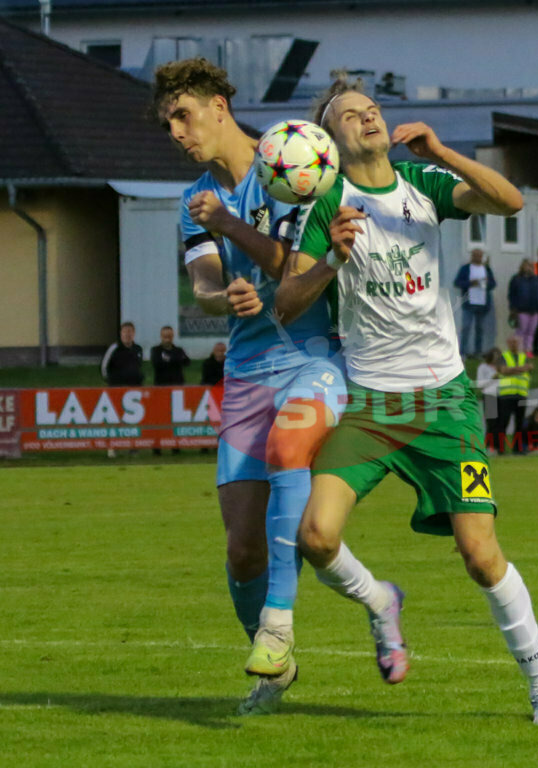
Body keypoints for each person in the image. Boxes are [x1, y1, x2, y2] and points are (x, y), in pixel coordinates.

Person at [275, 73, 538, 724]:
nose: (368, 118)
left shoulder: (424, 186)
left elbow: (511, 201)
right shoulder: (327, 206)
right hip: (371, 407)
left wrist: (441, 152)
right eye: (351, 114)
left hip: (444, 403)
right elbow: (286, 304)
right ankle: (380, 602)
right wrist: (330, 260)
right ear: (330, 140)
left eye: (373, 109)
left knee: (480, 554)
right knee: (316, 536)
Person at [152, 57, 345, 715]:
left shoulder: (290, 162)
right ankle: (275, 666)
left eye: (183, 115)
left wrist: (245, 237)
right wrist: (219, 296)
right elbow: (203, 281)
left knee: (293, 451)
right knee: (240, 550)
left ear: (218, 107)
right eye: (168, 122)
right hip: (246, 375)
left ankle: (278, 624)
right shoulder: (193, 201)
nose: (177, 132)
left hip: (315, 356)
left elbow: (303, 263)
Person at [151, 325, 191, 455]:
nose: (167, 339)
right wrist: (175, 360)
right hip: (161, 388)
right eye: (165, 336)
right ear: (161, 336)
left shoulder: (178, 350)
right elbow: (157, 363)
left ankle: (176, 446)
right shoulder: (156, 350)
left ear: (173, 336)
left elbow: (187, 362)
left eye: (170, 336)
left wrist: (171, 360)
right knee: (160, 419)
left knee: (176, 418)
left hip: (177, 388)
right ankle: (157, 447)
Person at [453, 248, 496, 358]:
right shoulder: (466, 268)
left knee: (480, 328)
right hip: (469, 302)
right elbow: (457, 282)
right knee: (466, 327)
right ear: (472, 256)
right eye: (475, 255)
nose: (477, 257)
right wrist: (470, 283)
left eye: (479, 256)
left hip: (483, 303)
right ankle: (463, 352)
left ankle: (478, 352)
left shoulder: (486, 269)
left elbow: (493, 284)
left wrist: (487, 283)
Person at [495, 334, 533, 453]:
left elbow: (530, 367)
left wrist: (512, 370)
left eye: (516, 342)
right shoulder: (503, 357)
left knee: (520, 424)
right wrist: (522, 369)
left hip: (521, 394)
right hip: (506, 395)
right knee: (503, 423)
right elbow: (503, 370)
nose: (514, 344)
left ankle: (518, 448)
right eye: (511, 342)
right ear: (507, 343)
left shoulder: (523, 356)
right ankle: (500, 448)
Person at [507, 258, 538, 355]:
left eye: (530, 266)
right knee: (521, 331)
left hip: (534, 310)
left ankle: (528, 350)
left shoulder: (536, 279)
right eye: (526, 265)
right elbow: (512, 294)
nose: (528, 268)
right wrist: (513, 308)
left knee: (531, 332)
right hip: (521, 309)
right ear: (522, 267)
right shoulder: (516, 279)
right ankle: (518, 350)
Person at [475, 347, 503, 454]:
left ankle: (498, 446)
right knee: (492, 422)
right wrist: (492, 377)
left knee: (501, 422)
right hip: (489, 395)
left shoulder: (501, 367)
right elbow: (480, 384)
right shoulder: (483, 367)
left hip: (501, 395)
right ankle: (489, 446)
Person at [100, 321, 144, 386]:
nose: (127, 334)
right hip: (117, 386)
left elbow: (139, 365)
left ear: (134, 333)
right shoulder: (114, 348)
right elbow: (104, 367)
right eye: (124, 332)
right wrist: (111, 380)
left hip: (134, 386)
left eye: (129, 331)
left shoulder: (138, 349)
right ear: (121, 333)